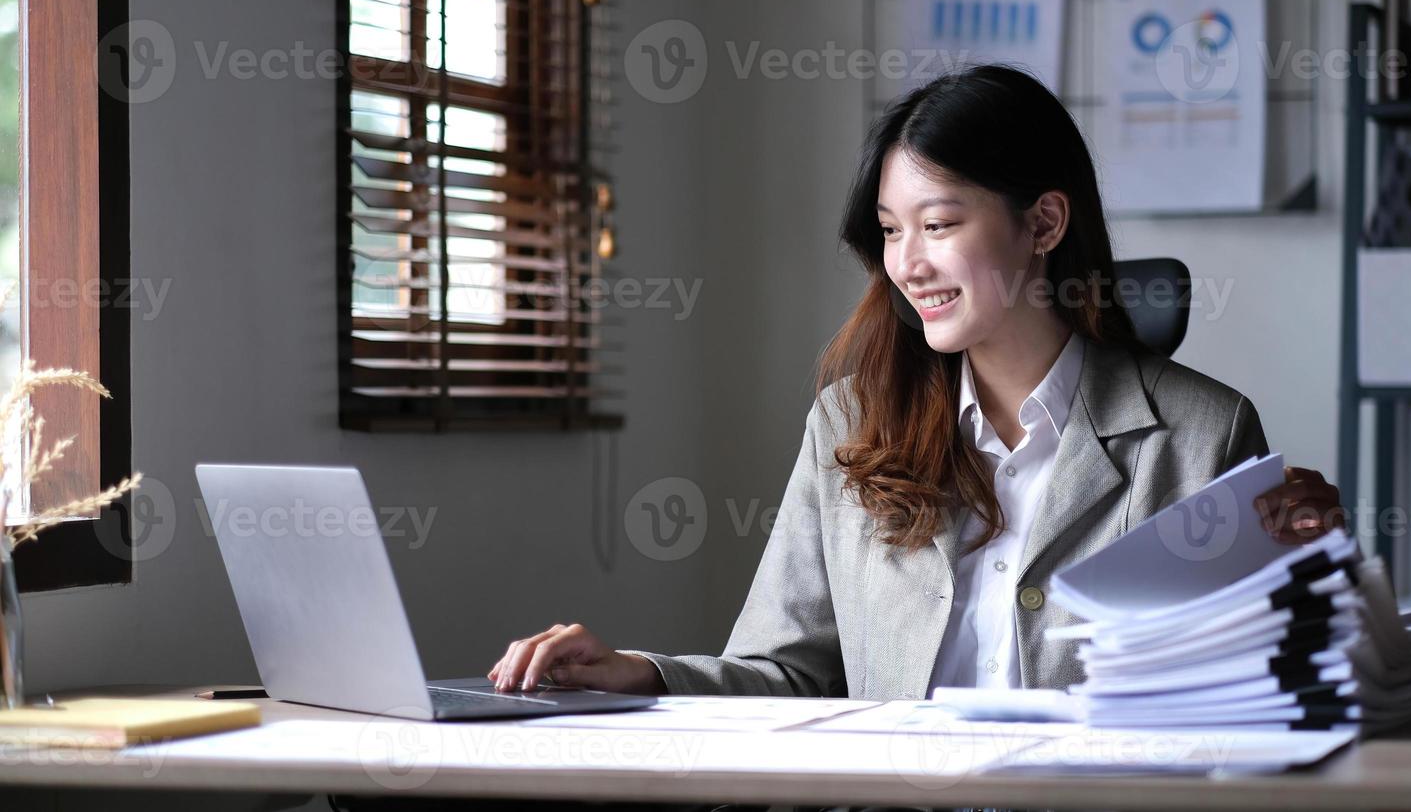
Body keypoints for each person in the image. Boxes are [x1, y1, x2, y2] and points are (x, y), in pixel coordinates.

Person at [489, 64, 1343, 699]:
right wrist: (634, 673)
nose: (907, 264)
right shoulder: (849, 424)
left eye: (938, 224)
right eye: (892, 232)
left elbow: (1256, 699)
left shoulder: (1204, 433)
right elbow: (789, 672)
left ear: (1042, 222)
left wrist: (1316, 582)